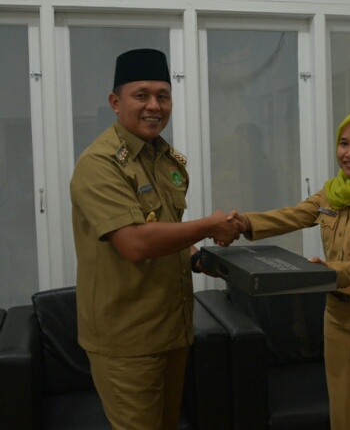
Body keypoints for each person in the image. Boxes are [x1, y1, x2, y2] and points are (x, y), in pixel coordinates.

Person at [69, 48, 242, 430]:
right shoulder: (100, 163)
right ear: (115, 102)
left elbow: (165, 227)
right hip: (127, 338)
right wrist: (209, 225)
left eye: (163, 96)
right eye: (141, 95)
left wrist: (197, 257)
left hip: (171, 328)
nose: (154, 106)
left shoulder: (166, 159)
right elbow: (134, 242)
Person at [227, 110, 350, 430]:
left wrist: (330, 272)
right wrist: (246, 223)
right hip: (337, 317)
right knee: (342, 411)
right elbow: (295, 215)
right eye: (344, 143)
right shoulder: (332, 192)